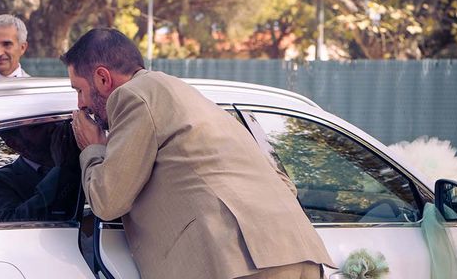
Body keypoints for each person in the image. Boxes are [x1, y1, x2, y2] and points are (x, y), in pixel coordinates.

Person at [61, 28, 334, 279]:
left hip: (240, 261)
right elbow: (283, 182)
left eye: (79, 90)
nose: (80, 103)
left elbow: (108, 201)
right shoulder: (189, 96)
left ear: (102, 78)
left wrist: (93, 148)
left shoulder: (132, 96)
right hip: (298, 250)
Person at [0, 122, 80, 222]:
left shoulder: (86, 157)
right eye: (36, 127)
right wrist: (61, 169)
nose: (52, 127)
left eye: (55, 121)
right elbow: (11, 226)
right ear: (14, 144)